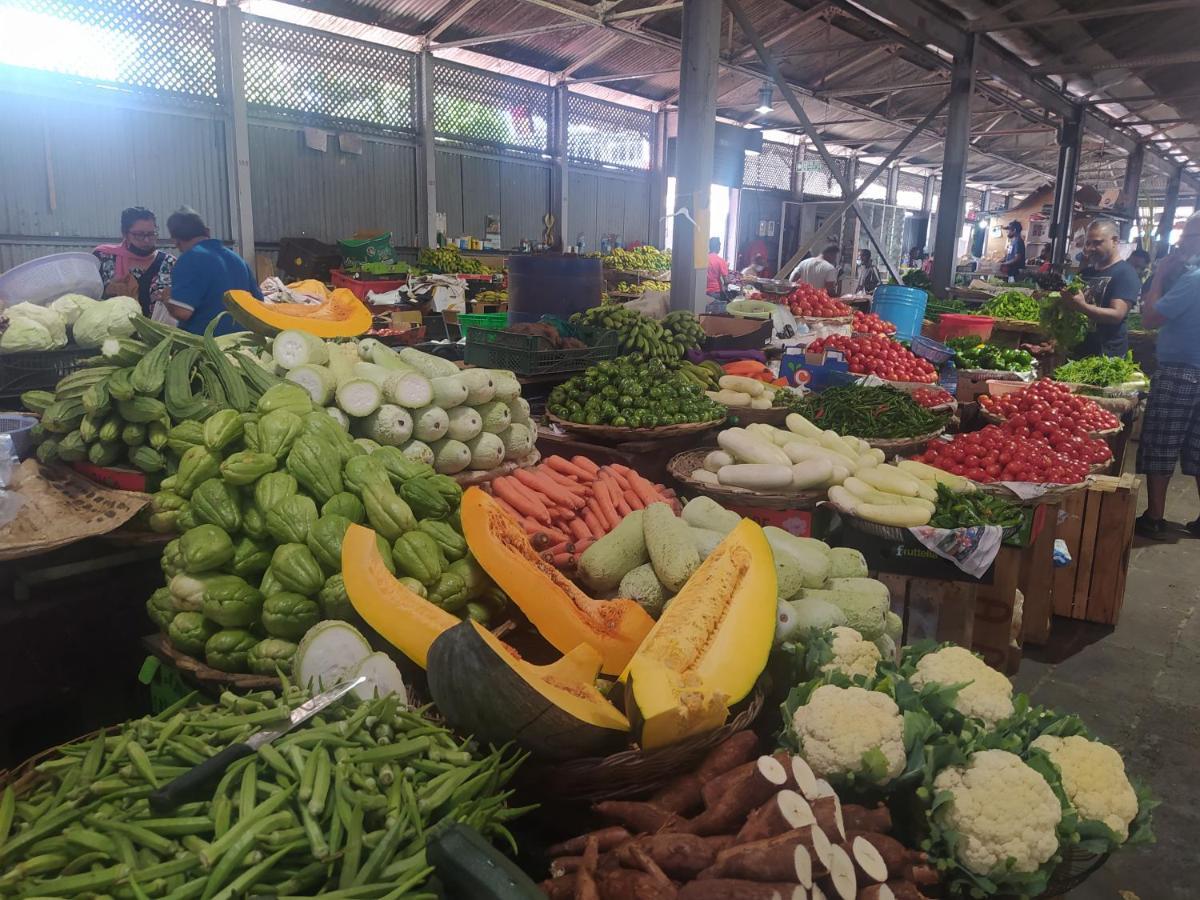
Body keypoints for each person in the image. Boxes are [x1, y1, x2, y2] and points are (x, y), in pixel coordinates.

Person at [1133, 213, 1200, 540]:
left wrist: (1159, 275)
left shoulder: (1195, 279)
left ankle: (1154, 517)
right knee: (1198, 448)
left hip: (1181, 373)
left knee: (1161, 444)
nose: (1182, 243)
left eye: (1188, 236)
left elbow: (1149, 317)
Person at [164, 209, 261, 336]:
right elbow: (258, 302)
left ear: (176, 241)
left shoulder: (189, 259)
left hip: (207, 346)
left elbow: (182, 312)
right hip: (243, 342)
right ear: (207, 231)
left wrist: (167, 299)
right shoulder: (237, 259)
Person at [1059, 218, 1142, 357]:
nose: (1090, 248)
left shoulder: (1125, 273)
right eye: (1088, 243)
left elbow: (1117, 315)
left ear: (1115, 241)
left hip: (1106, 357)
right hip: (1078, 352)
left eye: (1097, 243)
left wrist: (1081, 307)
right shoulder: (1085, 274)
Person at [93, 207, 175, 319]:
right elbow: (88, 300)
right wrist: (107, 291)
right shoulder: (103, 258)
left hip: (157, 334)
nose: (146, 240)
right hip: (110, 333)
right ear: (125, 234)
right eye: (139, 235)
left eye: (151, 234)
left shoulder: (169, 263)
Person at [705, 237, 730, 302]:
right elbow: (726, 281)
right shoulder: (720, 260)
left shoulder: (704, 258)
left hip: (703, 291)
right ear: (717, 247)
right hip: (715, 291)